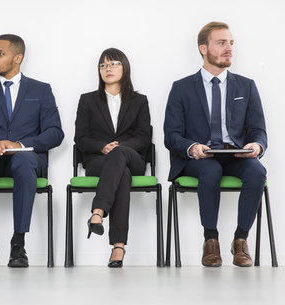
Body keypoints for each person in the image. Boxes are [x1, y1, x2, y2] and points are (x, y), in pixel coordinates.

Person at [164, 21, 268, 267]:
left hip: (236, 155)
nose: (228, 48)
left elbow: (258, 130)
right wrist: (193, 148)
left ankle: (240, 239)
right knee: (210, 169)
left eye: (231, 43)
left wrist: (256, 146)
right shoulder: (181, 88)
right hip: (199, 158)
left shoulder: (246, 86)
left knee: (257, 172)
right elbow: (172, 135)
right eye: (221, 43)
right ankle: (210, 239)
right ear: (203, 48)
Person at [0, 34, 64, 268]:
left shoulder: (41, 90)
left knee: (24, 161)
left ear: (17, 57)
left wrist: (19, 145)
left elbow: (55, 133)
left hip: (25, 158)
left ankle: (18, 244)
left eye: (0, 54)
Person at [74, 48, 151, 267]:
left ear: (125, 68)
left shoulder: (139, 101)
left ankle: (98, 211)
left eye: (114, 64)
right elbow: (81, 138)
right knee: (122, 175)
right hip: (99, 161)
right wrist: (102, 148)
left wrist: (119, 148)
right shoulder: (87, 100)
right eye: (103, 65)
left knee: (122, 158)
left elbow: (144, 137)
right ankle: (118, 247)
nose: (108, 69)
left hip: (133, 157)